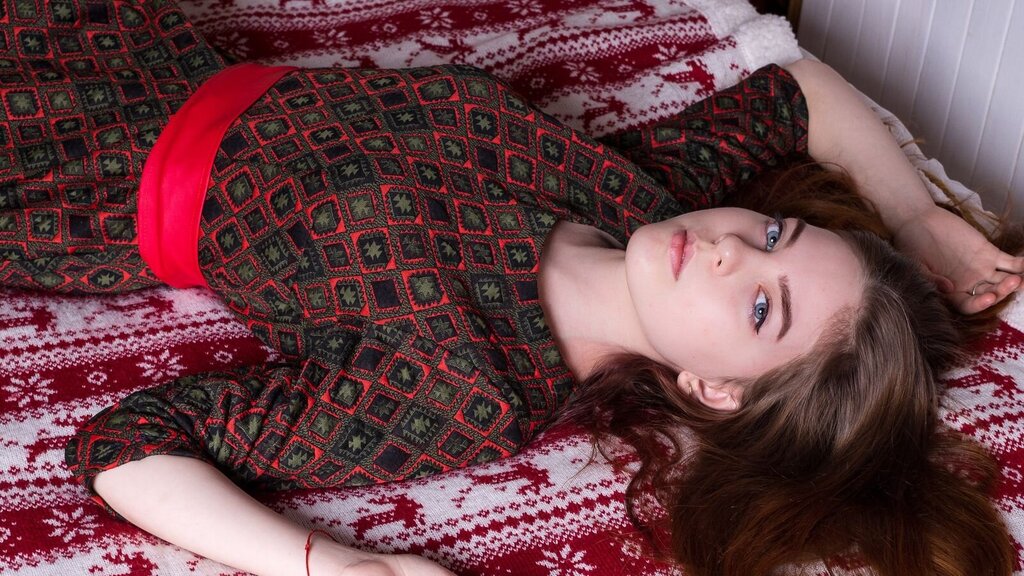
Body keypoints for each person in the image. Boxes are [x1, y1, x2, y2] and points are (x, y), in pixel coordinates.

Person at [1, 1, 1019, 575]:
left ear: (715, 390)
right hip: (126, 49)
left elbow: (130, 444)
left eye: (762, 308)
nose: (728, 250)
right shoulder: (640, 195)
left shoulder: (465, 389)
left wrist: (339, 567)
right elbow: (798, 92)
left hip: (66, 174)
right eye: (771, 233)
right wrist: (917, 218)